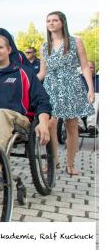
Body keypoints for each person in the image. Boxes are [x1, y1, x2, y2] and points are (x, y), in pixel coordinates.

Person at [0, 35, 51, 182]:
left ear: (9, 49)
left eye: (0, 47)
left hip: (18, 120)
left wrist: (43, 123)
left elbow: (42, 100)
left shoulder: (25, 72)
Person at [38, 11, 95, 176]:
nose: (51, 23)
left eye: (55, 20)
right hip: (51, 87)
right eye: (48, 20)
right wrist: (27, 82)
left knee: (71, 126)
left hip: (71, 85)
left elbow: (84, 66)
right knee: (50, 125)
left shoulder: (76, 41)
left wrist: (90, 89)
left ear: (62, 22)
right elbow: (42, 73)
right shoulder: (44, 46)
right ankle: (53, 162)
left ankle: (70, 164)